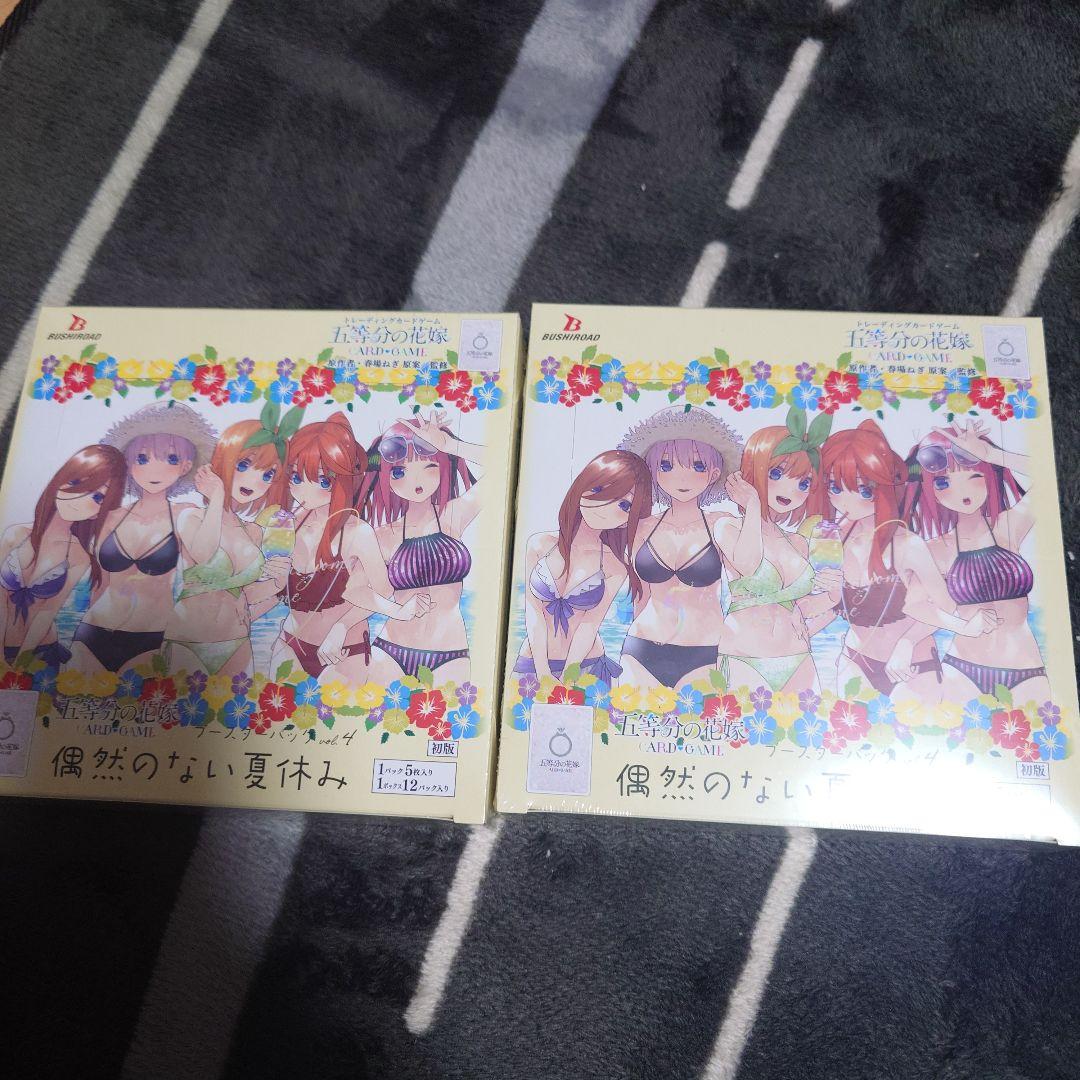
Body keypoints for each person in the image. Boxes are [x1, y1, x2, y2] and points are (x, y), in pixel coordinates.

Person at [816, 419, 996, 700]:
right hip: (855, 659)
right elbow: (834, 604)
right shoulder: (830, 538)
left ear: (885, 486)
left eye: (863, 490)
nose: (846, 502)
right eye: (835, 488)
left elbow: (945, 604)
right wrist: (819, 591)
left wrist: (907, 641)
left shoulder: (908, 544)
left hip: (913, 663)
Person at [273, 413, 427, 683]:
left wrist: (342, 626)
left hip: (344, 648)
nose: (304, 491)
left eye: (322, 481)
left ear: (342, 480)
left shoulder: (358, 532)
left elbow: (382, 591)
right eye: (296, 477)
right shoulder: (286, 526)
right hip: (290, 642)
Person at [69, 404, 217, 674]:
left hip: (151, 637)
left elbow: (204, 558)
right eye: (142, 458)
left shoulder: (186, 514)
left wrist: (216, 497)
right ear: (128, 463)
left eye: (171, 458)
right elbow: (99, 584)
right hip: (92, 631)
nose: (154, 471)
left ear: (186, 466)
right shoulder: (111, 517)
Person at [904, 419, 1045, 700]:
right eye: (944, 482)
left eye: (974, 476)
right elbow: (915, 605)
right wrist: (962, 626)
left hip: (1026, 668)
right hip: (963, 670)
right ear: (931, 492)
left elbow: (1047, 478)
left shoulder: (1008, 528)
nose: (962, 491)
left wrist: (991, 454)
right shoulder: (936, 549)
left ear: (989, 477)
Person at [616, 406, 743, 688]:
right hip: (641, 648)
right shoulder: (641, 527)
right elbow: (640, 596)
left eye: (697, 466)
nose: (681, 478)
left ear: (714, 473)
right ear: (652, 471)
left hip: (705, 652)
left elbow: (742, 588)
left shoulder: (722, 524)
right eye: (666, 466)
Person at [165, 418, 290, 676]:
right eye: (243, 465)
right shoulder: (191, 516)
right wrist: (217, 496)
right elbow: (204, 553)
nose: (254, 480)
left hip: (237, 642)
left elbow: (246, 594)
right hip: (187, 640)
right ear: (224, 460)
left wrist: (278, 582)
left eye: (267, 474)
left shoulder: (254, 531)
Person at [360, 414, 479, 684]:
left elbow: (502, 467)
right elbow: (355, 590)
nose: (416, 480)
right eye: (400, 472)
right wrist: (395, 610)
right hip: (390, 651)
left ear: (443, 468)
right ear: (386, 478)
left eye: (429, 466)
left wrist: (449, 445)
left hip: (450, 653)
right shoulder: (383, 536)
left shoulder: (453, 516)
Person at [714, 424, 833, 693]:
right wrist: (753, 505)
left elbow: (802, 607)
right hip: (745, 657)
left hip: (799, 658)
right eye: (776, 473)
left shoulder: (798, 542)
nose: (791, 489)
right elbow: (748, 565)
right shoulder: (728, 526)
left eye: (803, 483)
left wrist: (834, 595)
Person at [515, 450, 651, 684]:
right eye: (598, 490)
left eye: (624, 504)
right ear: (581, 487)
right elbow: (533, 611)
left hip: (586, 666)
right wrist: (543, 671)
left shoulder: (615, 564)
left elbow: (589, 625)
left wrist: (567, 678)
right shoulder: (539, 544)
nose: (604, 507)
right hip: (531, 664)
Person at [0, 445, 126, 667]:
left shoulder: (79, 556)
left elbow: (46, 613)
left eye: (98, 497)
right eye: (76, 483)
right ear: (59, 481)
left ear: (100, 511)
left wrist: (20, 663)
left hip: (39, 651)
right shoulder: (15, 534)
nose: (79, 498)